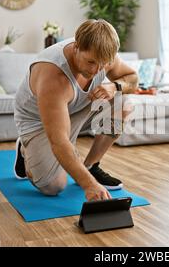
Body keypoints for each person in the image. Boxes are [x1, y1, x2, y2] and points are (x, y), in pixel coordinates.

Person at [13, 19, 138, 201]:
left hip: (76, 106)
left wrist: (115, 86)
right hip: (39, 122)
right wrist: (89, 185)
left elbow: (133, 78)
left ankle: (90, 166)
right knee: (54, 186)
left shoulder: (104, 55)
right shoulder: (53, 75)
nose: (96, 70)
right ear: (76, 47)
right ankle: (26, 151)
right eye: (91, 62)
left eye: (103, 64)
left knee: (123, 102)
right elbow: (59, 141)